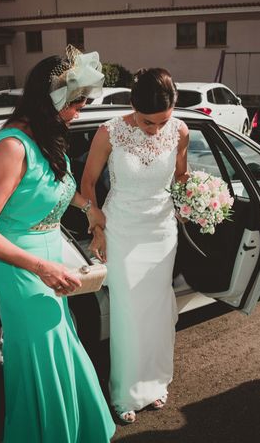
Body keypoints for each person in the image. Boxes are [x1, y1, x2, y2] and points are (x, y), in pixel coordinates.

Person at [0, 47, 115, 442]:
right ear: (53, 100)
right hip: (23, 271)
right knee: (41, 359)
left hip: (50, 261)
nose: (80, 111)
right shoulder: (12, 147)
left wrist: (88, 209)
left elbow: (53, 191)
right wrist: (42, 268)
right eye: (77, 102)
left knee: (60, 351)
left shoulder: (45, 137)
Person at [81, 68, 189, 424]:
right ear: (132, 106)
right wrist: (96, 225)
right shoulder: (109, 132)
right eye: (148, 122)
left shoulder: (181, 131)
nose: (156, 130)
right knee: (128, 313)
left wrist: (194, 200)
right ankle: (125, 392)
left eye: (163, 121)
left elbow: (180, 177)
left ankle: (155, 383)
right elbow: (89, 182)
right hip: (123, 230)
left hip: (161, 232)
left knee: (157, 310)